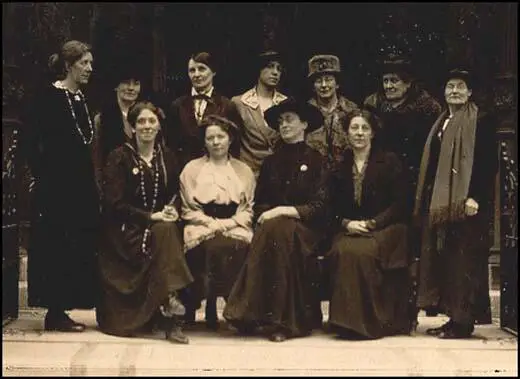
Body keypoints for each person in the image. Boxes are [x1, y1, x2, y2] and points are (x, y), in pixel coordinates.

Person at [223, 98, 329, 342]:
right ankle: (266, 315)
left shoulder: (317, 161)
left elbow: (320, 206)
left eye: (289, 119)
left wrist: (282, 211)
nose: (284, 125)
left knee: (281, 229)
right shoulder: (271, 162)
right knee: (277, 230)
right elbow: (261, 203)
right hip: (275, 229)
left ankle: (283, 321)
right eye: (280, 121)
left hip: (308, 229)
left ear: (304, 124)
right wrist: (269, 214)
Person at [19, 40, 100, 332]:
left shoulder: (80, 99)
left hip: (79, 185)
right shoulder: (48, 97)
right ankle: (54, 312)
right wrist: (44, 176)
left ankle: (64, 308)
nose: (90, 68)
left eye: (91, 63)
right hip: (55, 186)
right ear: (68, 65)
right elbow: (31, 141)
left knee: (75, 245)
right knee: (55, 245)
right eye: (84, 63)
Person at [96, 101, 193, 344]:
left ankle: (171, 308)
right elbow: (113, 204)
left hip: (161, 227)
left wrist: (172, 210)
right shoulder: (119, 157)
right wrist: (150, 217)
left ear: (159, 126)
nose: (146, 126)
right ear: (132, 128)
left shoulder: (168, 157)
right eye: (141, 121)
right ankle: (171, 306)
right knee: (165, 233)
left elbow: (176, 194)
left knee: (167, 230)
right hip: (127, 231)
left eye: (151, 121)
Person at [413, 69, 498, 339]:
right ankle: (453, 318)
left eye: (461, 87)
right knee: (448, 260)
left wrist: (476, 197)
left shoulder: (479, 121)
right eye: (450, 86)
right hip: (444, 202)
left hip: (467, 203)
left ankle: (464, 322)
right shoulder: (442, 121)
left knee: (465, 261)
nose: (455, 91)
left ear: (470, 92)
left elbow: (487, 164)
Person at [363, 54, 443, 319]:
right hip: (384, 178)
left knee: (417, 238)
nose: (389, 86)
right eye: (385, 81)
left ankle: (425, 299)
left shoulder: (427, 107)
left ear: (408, 84)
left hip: (416, 177)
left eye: (395, 81)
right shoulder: (373, 105)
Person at [327, 109, 411, 340]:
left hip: (386, 227)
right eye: (354, 128)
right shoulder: (338, 165)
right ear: (346, 133)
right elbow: (330, 206)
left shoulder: (390, 161)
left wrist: (374, 223)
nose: (359, 133)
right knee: (342, 250)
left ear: (373, 133)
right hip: (350, 228)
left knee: (362, 252)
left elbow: (400, 203)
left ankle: (374, 322)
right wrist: (346, 223)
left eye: (365, 128)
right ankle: (346, 323)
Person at [180, 114, 255, 330]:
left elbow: (247, 209)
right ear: (204, 141)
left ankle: (236, 310)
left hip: (234, 224)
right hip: (201, 223)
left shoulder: (244, 170)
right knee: (206, 247)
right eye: (210, 137)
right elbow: (188, 208)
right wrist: (209, 223)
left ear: (230, 139)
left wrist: (225, 224)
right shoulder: (192, 169)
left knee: (238, 246)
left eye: (220, 137)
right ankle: (198, 304)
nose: (216, 142)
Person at [166, 51, 243, 168]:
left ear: (213, 72)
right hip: (185, 171)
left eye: (202, 69)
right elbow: (171, 145)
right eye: (192, 70)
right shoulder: (177, 105)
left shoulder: (227, 105)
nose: (196, 74)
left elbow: (235, 146)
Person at [232, 50, 288, 178]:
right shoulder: (239, 103)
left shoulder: (286, 103)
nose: (275, 72)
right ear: (259, 70)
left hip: (279, 175)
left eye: (279, 69)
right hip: (248, 174)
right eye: (270, 67)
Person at [93, 63, 144, 186]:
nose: (131, 88)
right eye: (126, 83)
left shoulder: (148, 117)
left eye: (136, 83)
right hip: (114, 185)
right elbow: (97, 161)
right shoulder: (102, 119)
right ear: (116, 86)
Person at [306, 54, 359, 169]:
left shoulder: (352, 111)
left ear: (337, 84)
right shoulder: (305, 113)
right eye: (319, 81)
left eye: (329, 80)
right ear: (313, 86)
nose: (324, 85)